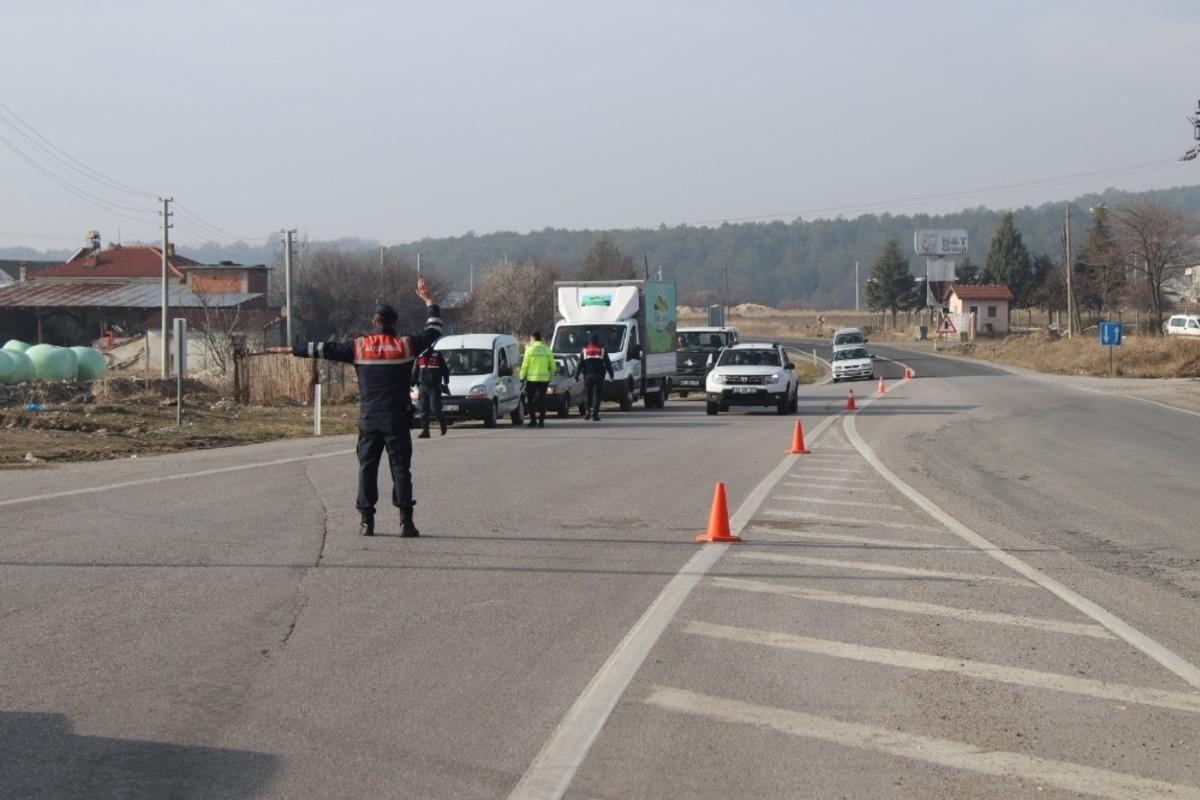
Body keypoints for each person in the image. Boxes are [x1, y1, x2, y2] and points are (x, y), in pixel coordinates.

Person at [266, 278, 441, 537]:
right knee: (401, 469)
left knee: (367, 468)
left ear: (374, 322)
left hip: (369, 419)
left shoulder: (359, 347)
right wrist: (429, 301)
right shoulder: (406, 345)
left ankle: (366, 522)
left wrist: (292, 349)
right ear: (394, 324)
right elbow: (434, 331)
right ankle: (406, 522)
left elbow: (323, 349)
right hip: (397, 419)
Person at [518, 330, 555, 428]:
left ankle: (533, 419)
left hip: (532, 379)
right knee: (542, 400)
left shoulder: (529, 350)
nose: (530, 341)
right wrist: (550, 377)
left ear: (533, 338)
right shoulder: (546, 350)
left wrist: (521, 377)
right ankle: (541, 421)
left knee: (530, 400)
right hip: (544, 380)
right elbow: (553, 366)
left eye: (530, 339)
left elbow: (525, 365)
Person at [574, 332, 614, 421]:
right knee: (596, 395)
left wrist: (576, 376)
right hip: (599, 376)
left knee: (587, 394)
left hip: (587, 376)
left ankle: (587, 411)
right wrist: (611, 375)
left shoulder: (584, 351)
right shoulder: (602, 351)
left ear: (589, 341)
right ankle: (595, 414)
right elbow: (608, 364)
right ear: (597, 341)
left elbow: (579, 364)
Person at [413, 343, 450, 438]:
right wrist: (412, 382)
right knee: (423, 409)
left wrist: (446, 381)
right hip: (422, 386)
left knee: (435, 408)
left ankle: (442, 423)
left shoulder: (437, 355)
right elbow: (415, 370)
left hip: (434, 386)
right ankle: (425, 431)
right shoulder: (419, 356)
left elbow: (445, 369)